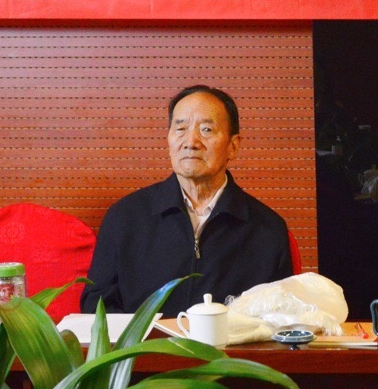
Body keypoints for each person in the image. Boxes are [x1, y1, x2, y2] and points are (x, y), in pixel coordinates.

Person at [82, 86, 293, 316]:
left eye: (206, 130)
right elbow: (96, 307)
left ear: (233, 146)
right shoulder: (125, 217)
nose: (191, 142)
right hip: (147, 341)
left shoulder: (267, 229)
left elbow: (280, 319)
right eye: (180, 129)